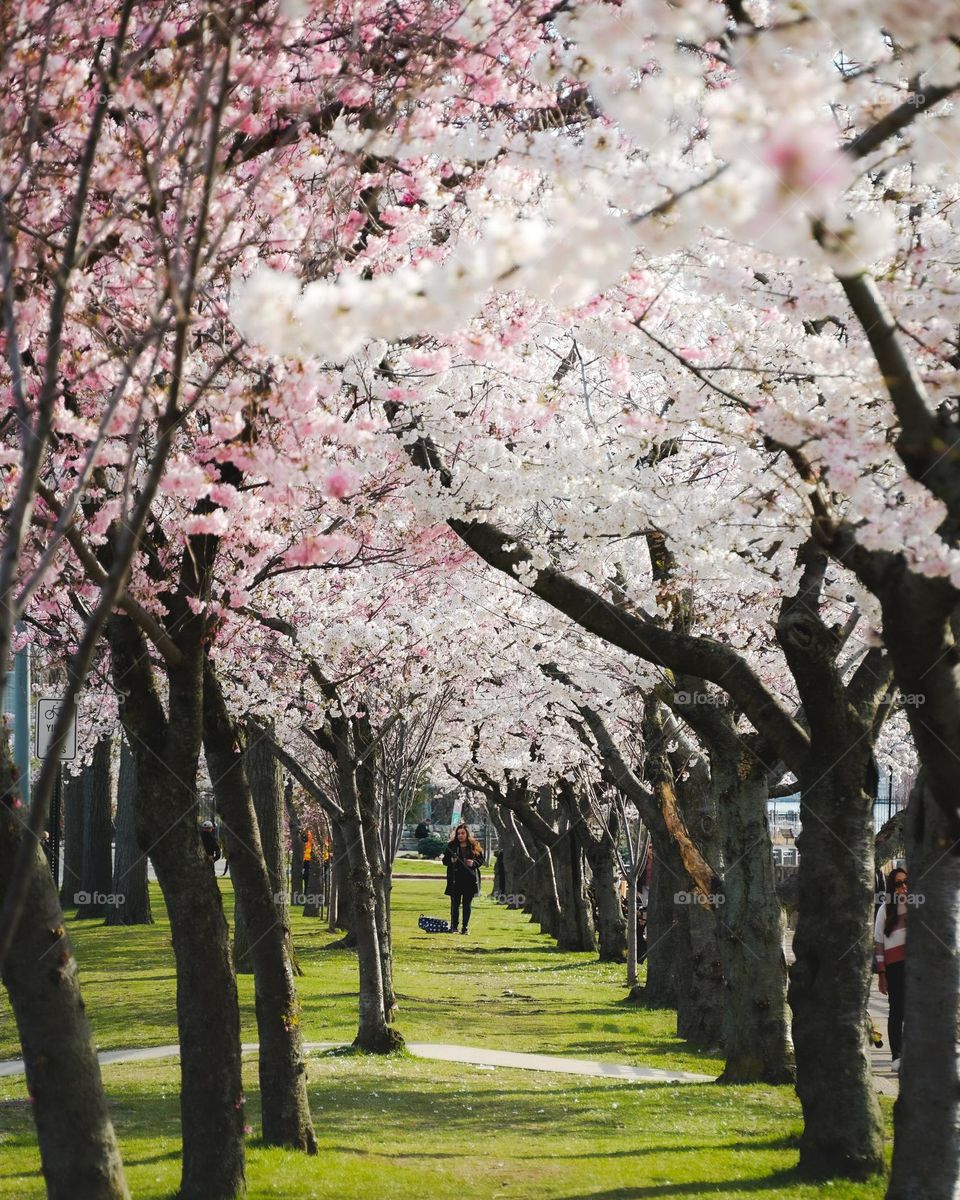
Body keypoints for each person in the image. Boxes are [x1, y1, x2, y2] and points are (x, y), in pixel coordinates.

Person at [874, 866, 908, 1071]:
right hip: (894, 967)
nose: (903, 887)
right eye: (898, 883)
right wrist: (881, 974)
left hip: (916, 967)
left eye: (906, 882)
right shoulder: (885, 909)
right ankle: (896, 1056)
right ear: (891, 887)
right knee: (897, 1012)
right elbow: (878, 942)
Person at [442, 823, 484, 935]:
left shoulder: (474, 845)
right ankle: (454, 926)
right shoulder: (451, 846)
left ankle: (465, 927)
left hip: (469, 879)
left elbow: (481, 860)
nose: (460, 835)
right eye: (458, 833)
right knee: (455, 904)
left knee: (467, 904)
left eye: (463, 833)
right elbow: (444, 861)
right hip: (455, 879)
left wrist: (473, 863)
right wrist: (451, 861)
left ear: (467, 834)